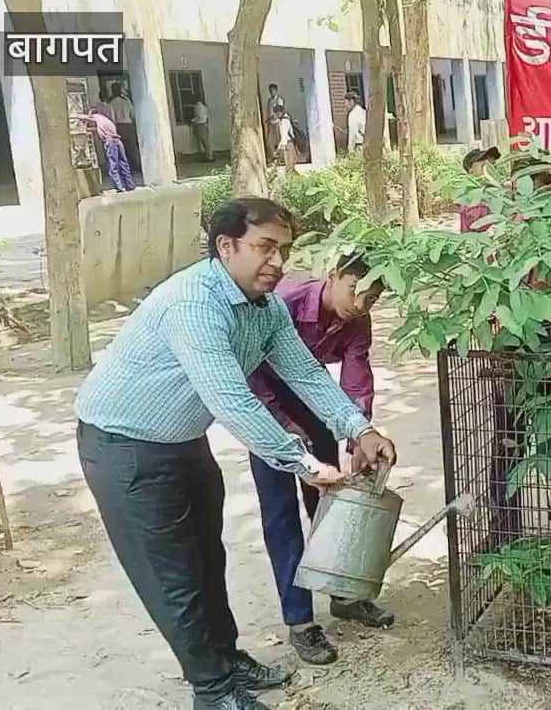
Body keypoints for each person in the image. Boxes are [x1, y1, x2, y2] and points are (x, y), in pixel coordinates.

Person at [74, 197, 398, 710]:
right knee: (173, 576)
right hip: (124, 449)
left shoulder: (264, 308)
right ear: (226, 246)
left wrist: (359, 428)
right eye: (265, 247)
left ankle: (225, 659)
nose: (277, 262)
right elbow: (230, 398)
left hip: (183, 442)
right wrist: (301, 462)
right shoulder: (194, 304)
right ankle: (213, 690)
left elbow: (307, 373)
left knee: (207, 559)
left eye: (284, 250)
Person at [247, 257, 392, 665]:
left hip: (314, 400)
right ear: (332, 275)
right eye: (355, 289)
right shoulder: (284, 302)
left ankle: (345, 595)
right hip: (262, 406)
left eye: (373, 296)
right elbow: (251, 373)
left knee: (331, 503)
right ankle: (300, 622)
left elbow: (356, 375)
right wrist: (282, 426)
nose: (362, 302)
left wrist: (358, 434)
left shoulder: (356, 318)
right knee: (282, 517)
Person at [76, 111, 134, 193]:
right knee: (124, 164)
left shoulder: (96, 117)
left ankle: (119, 187)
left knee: (113, 166)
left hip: (110, 142)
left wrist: (74, 117)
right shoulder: (106, 121)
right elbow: (97, 130)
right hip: (118, 141)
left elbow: (85, 118)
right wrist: (87, 129)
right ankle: (130, 185)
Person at [458, 147, 501, 233]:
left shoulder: (496, 191)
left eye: (493, 166)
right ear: (471, 172)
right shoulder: (473, 199)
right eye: (485, 166)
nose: (491, 170)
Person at [108, 81, 140, 172]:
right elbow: (132, 114)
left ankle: (125, 168)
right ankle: (136, 166)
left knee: (122, 149)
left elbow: (112, 118)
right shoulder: (127, 101)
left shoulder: (111, 103)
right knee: (132, 148)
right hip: (129, 125)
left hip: (118, 127)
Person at [266, 83, 286, 163]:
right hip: (271, 123)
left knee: (279, 140)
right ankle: (272, 157)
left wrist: (275, 116)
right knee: (269, 141)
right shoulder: (269, 100)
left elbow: (279, 111)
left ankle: (282, 158)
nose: (271, 92)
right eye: (270, 90)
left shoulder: (279, 100)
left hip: (277, 122)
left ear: (276, 90)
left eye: (273, 90)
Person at [275, 105, 297, 174]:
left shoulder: (285, 121)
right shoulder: (282, 120)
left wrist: (282, 147)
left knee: (289, 166)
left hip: (288, 144)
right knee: (289, 167)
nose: (277, 114)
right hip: (287, 144)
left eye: (278, 112)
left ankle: (293, 182)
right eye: (276, 113)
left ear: (281, 112)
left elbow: (284, 135)